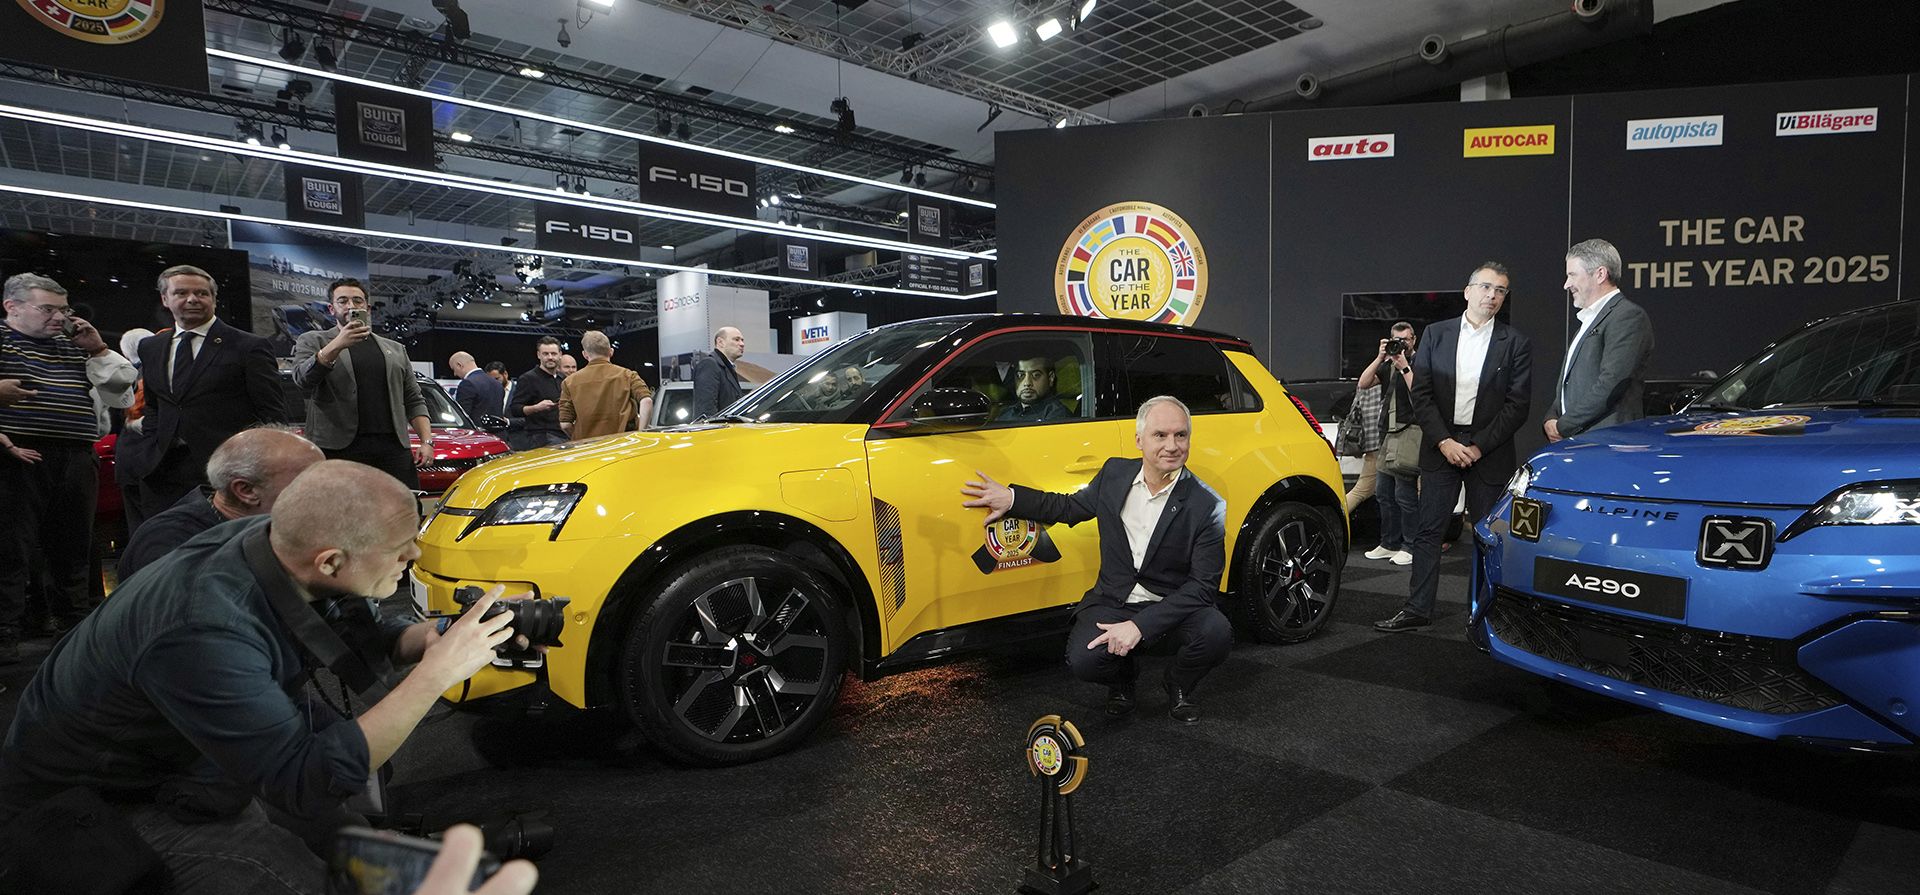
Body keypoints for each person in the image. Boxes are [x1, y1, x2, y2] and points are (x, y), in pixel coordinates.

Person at [0, 461, 528, 894]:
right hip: (92, 805)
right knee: (291, 876)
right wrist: (435, 676)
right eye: (401, 548)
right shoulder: (204, 628)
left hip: (175, 758)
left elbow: (348, 628)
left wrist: (432, 638)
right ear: (331, 560)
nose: (413, 556)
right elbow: (303, 781)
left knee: (353, 847)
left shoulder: (266, 540)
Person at [962, 396, 1230, 724]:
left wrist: (1138, 627)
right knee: (1082, 661)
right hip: (1114, 599)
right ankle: (1123, 679)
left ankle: (1177, 683)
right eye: (1160, 435)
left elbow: (1203, 588)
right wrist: (1014, 498)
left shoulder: (1208, 505)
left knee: (1216, 632)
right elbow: (1069, 508)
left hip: (1171, 604)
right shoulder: (1114, 474)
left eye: (1181, 435)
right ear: (1139, 440)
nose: (1172, 446)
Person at [1376, 263, 1534, 632]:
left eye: (1500, 290)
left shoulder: (1516, 343)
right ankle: (1416, 609)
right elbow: (1422, 393)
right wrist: (1445, 441)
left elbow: (1517, 406)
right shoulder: (1436, 334)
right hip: (1440, 446)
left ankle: (1485, 614)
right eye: (1485, 287)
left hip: (1489, 451)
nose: (1492, 295)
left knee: (1486, 536)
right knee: (1428, 531)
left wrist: (1477, 447)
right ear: (1468, 291)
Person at [0, 273, 136, 661]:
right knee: (10, 547)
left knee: (75, 545)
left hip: (76, 455)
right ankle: (6, 634)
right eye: (48, 309)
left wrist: (97, 350)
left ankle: (75, 626)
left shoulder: (74, 344)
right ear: (12, 306)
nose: (59, 317)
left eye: (63, 309)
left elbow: (121, 391)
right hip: (14, 455)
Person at [120, 265, 287, 523]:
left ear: (214, 299)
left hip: (225, 473)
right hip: (161, 470)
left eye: (201, 293)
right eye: (181, 293)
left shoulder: (248, 346)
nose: (192, 299)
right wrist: (150, 447)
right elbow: (154, 405)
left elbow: (271, 414)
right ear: (165, 299)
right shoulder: (151, 347)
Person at [118, 427, 324, 582]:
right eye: (307, 482)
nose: (323, 494)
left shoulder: (275, 527)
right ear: (246, 491)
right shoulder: (171, 543)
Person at [292, 278, 433, 488]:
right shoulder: (314, 340)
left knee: (400, 510)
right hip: (337, 448)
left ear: (366, 308)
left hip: (392, 448)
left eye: (357, 301)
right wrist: (337, 345)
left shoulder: (394, 349)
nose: (351, 306)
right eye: (343, 301)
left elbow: (413, 398)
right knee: (342, 512)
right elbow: (303, 379)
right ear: (332, 308)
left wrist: (426, 441)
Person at [1547, 238, 1654, 443]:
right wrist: (1551, 416)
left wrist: (1563, 425)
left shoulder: (1627, 316)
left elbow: (1611, 384)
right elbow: (1571, 383)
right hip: (1579, 440)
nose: (1566, 284)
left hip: (1607, 443)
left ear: (1600, 274)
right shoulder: (1588, 319)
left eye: (1572, 275)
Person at [1356, 322, 1419, 566]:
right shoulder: (1388, 364)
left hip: (1408, 432)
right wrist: (1381, 356)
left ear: (1413, 340)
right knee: (1384, 493)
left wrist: (1404, 367)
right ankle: (1389, 543)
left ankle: (1410, 545)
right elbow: (1363, 383)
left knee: (1405, 494)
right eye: (1396, 340)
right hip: (1386, 435)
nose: (1401, 345)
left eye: (1405, 340)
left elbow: (1421, 393)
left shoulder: (1420, 362)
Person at [558, 330, 653, 440]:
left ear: (585, 354)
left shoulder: (569, 382)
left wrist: (579, 439)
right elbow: (647, 401)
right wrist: (641, 433)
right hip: (623, 444)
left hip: (587, 448)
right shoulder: (628, 375)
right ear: (611, 351)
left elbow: (565, 424)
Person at [509, 337, 566, 448]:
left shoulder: (563, 379)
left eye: (553, 354)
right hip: (541, 437)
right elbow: (515, 409)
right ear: (538, 355)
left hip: (565, 434)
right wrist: (536, 407)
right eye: (546, 354)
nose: (550, 357)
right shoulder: (528, 379)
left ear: (560, 355)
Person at [994, 354, 1073, 422]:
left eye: (1036, 375)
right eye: (1020, 375)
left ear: (1050, 378)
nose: (1027, 383)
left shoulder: (1057, 415)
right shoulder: (1006, 413)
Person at [691, 326, 747, 419]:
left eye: (742, 340)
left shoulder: (727, 368)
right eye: (736, 340)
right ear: (720, 342)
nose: (742, 344)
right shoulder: (709, 364)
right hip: (717, 431)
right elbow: (706, 411)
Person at [450, 350, 505, 420]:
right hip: (497, 430)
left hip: (477, 430)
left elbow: (462, 417)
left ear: (459, 365)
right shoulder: (497, 384)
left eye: (453, 369)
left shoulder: (467, 384)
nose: (455, 374)